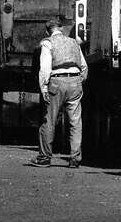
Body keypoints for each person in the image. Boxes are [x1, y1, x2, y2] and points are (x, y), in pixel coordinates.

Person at [33, 16, 88, 169]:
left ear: (47, 31)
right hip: (75, 81)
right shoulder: (73, 42)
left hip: (56, 82)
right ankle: (75, 158)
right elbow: (83, 66)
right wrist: (79, 82)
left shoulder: (47, 43)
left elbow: (44, 69)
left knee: (48, 120)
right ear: (62, 29)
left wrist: (44, 87)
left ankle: (44, 157)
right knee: (75, 122)